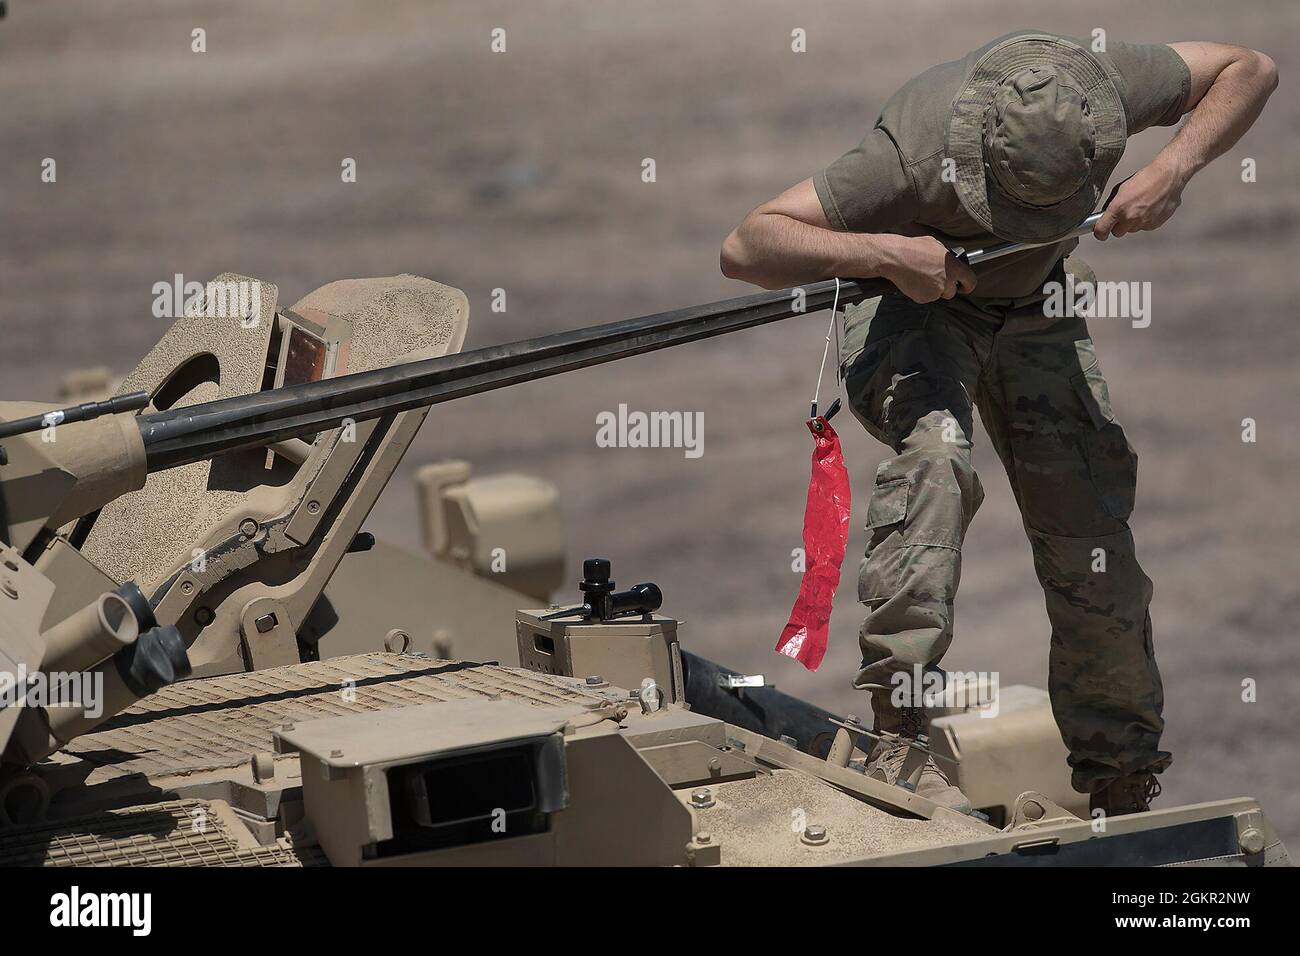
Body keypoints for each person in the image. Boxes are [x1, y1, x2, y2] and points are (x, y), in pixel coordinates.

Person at [720, 32, 1277, 815]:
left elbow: (1249, 67)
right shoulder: (910, 153)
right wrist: (885, 253)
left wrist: (1169, 170)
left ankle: (1121, 774)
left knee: (1092, 534)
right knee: (937, 467)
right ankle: (901, 729)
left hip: (1035, 305)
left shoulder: (1100, 91)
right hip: (917, 310)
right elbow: (747, 245)